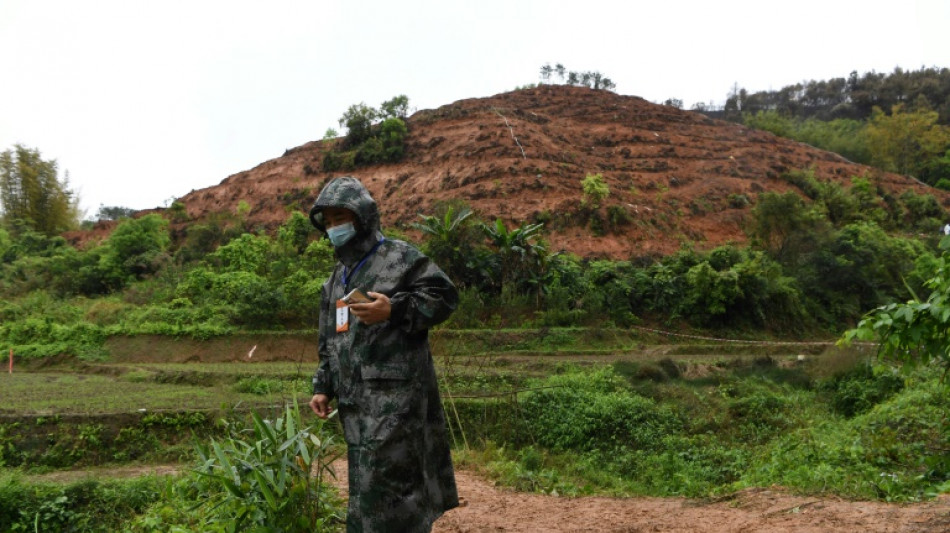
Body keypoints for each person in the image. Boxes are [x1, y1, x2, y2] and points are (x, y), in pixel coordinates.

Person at [307, 176, 459, 532]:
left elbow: (445, 297)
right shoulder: (336, 279)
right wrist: (322, 385)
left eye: (340, 218)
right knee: (364, 489)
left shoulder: (399, 257)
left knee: (395, 490)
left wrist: (394, 310)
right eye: (327, 222)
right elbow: (329, 338)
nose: (334, 228)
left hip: (397, 403)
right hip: (355, 406)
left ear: (362, 217)